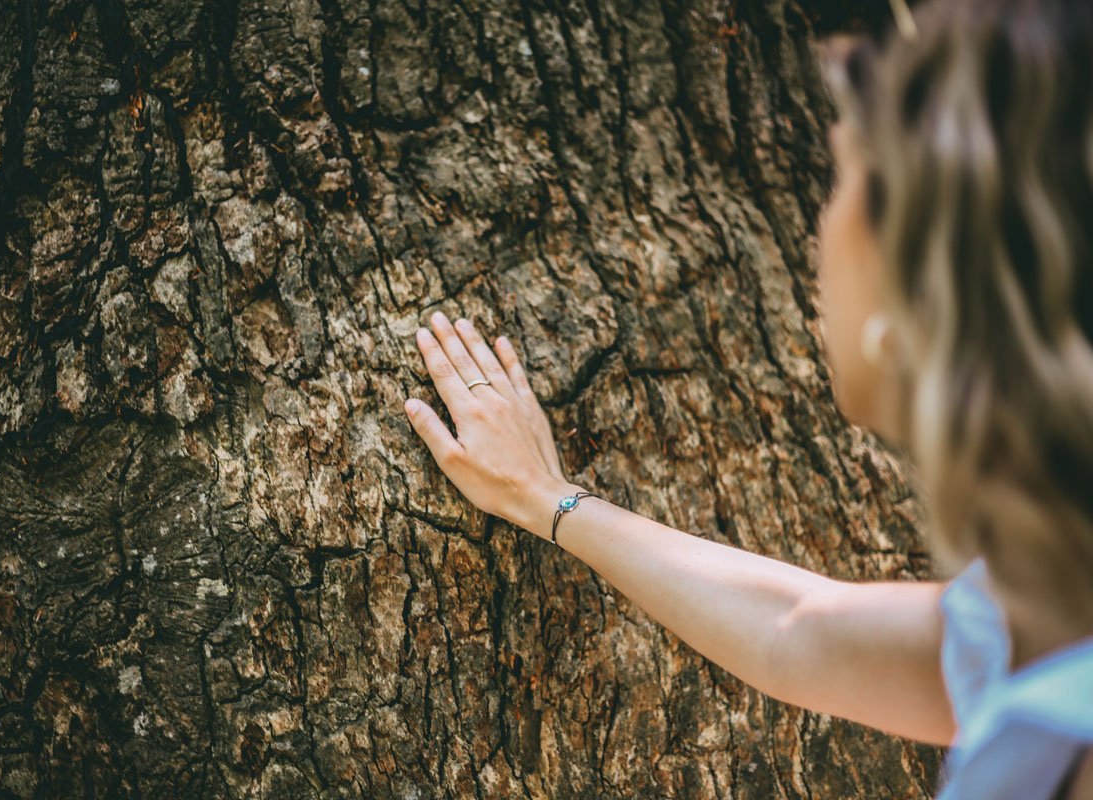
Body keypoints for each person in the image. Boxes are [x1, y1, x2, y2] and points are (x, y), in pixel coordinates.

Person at [400, 0, 1093, 796]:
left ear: (926, 252)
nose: (817, 228)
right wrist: (548, 500)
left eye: (843, 176)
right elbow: (794, 632)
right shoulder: (1049, 605)